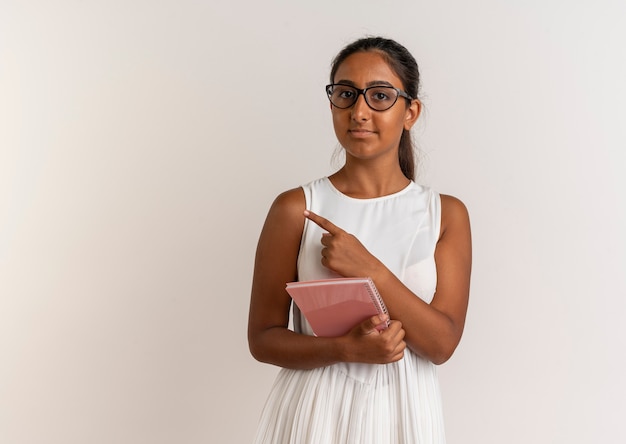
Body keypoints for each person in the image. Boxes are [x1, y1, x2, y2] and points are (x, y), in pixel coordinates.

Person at [248, 36, 472, 444]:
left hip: (404, 415)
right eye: (346, 94)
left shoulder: (444, 214)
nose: (359, 111)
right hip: (314, 415)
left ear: (411, 111)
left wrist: (370, 270)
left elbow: (441, 344)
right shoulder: (295, 208)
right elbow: (263, 338)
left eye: (380, 96)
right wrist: (344, 349)